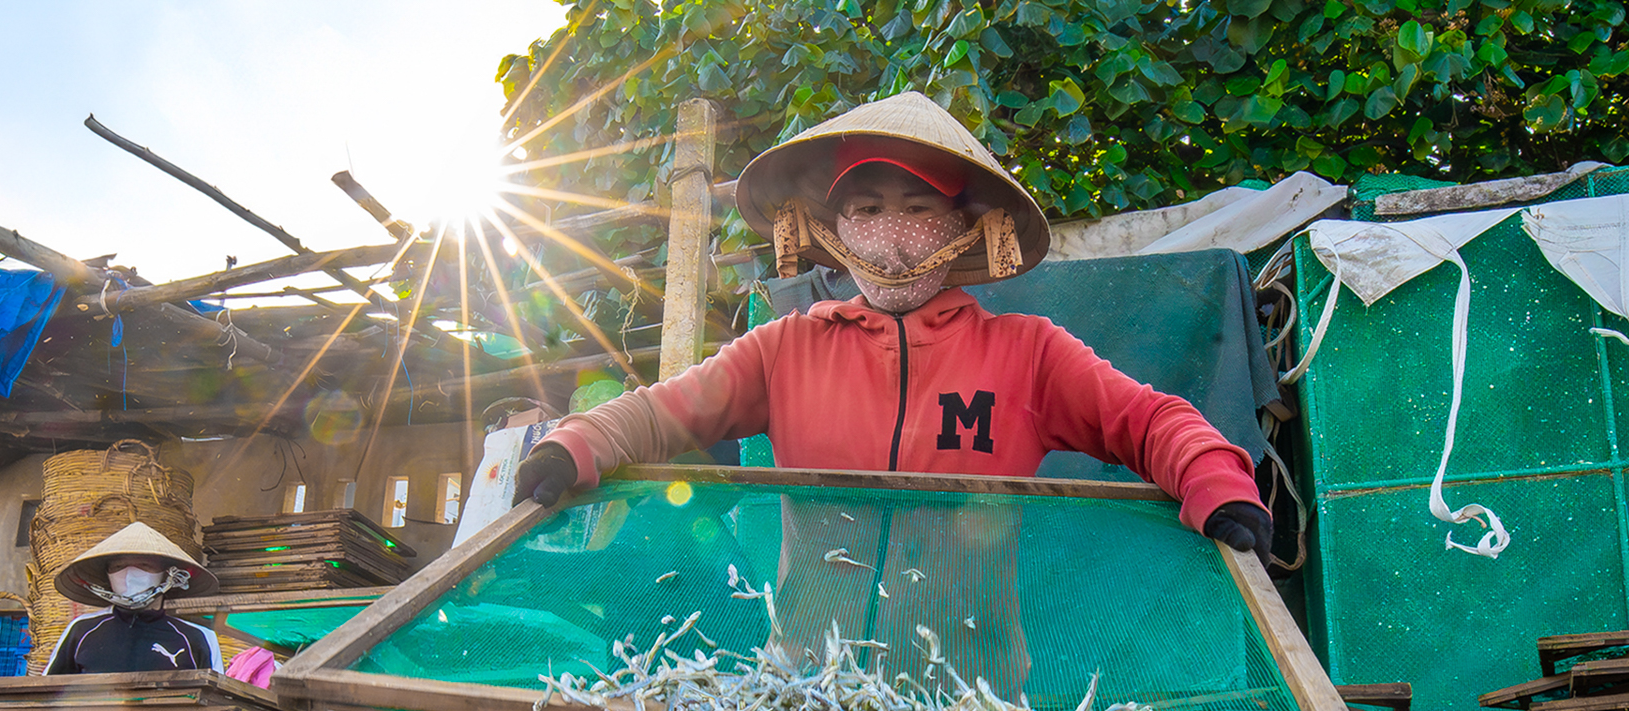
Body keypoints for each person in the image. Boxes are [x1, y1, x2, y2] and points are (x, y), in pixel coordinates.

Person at [513, 89, 1273, 563]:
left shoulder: (1029, 353)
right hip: (810, 688)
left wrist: (1214, 476)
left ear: (960, 227)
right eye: (868, 211)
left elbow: (1149, 421)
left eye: (917, 210)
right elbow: (658, 413)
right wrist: (573, 445)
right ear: (834, 227)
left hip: (970, 700)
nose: (892, 232)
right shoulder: (786, 346)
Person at [43, 522, 223, 675]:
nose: (130, 575)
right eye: (119, 566)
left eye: (145, 565)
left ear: (168, 575)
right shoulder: (82, 630)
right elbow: (46, 694)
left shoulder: (198, 637)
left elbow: (214, 701)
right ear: (108, 576)